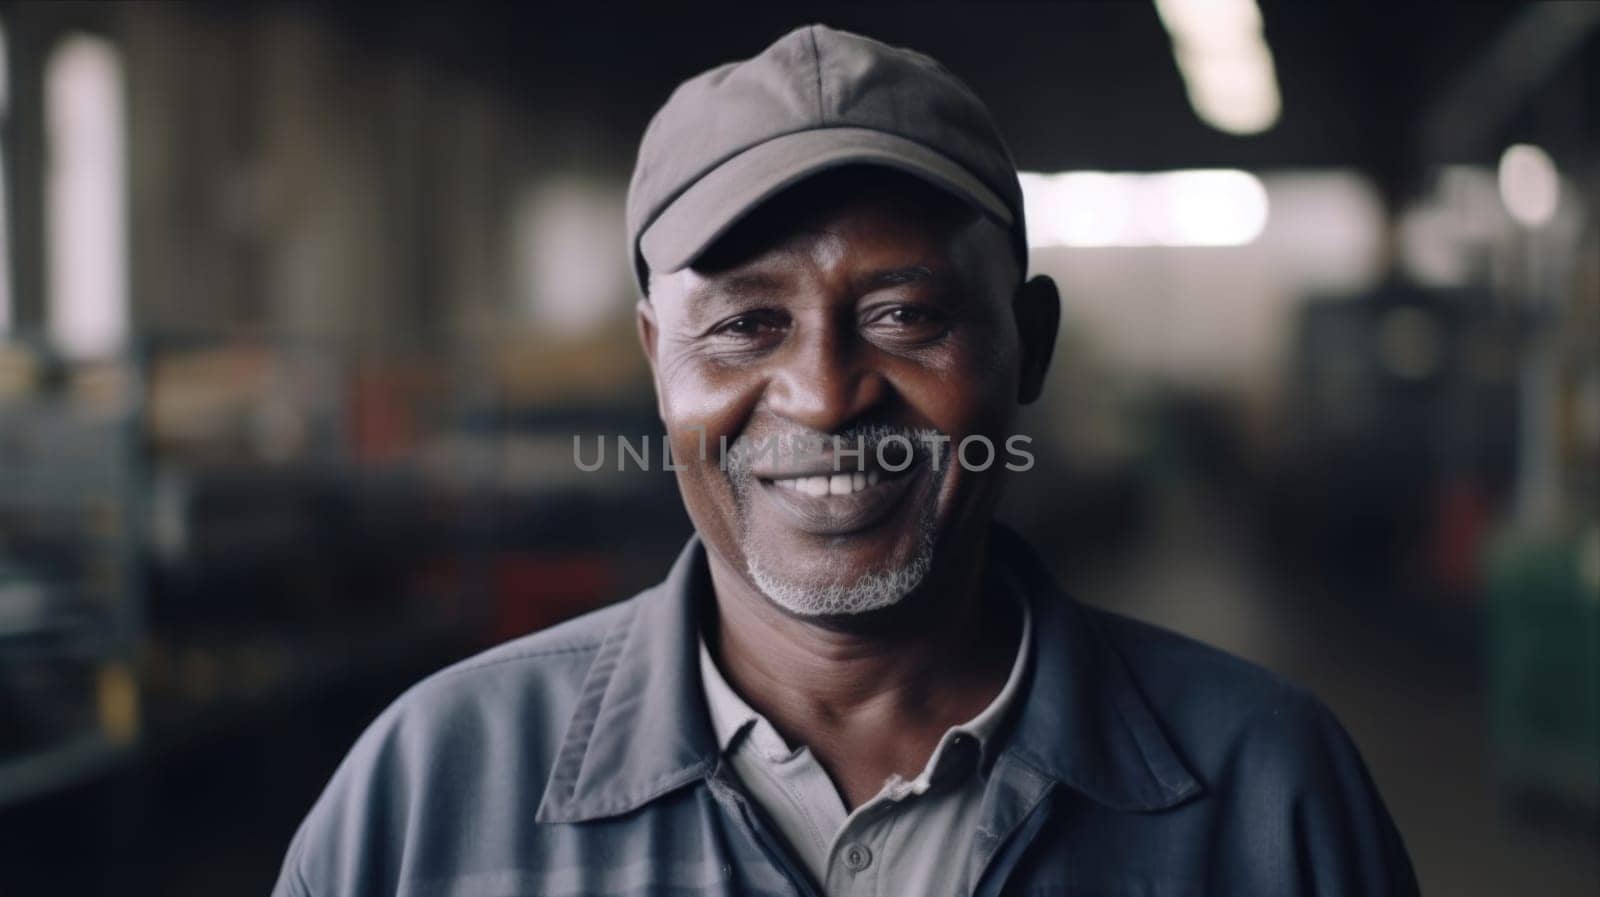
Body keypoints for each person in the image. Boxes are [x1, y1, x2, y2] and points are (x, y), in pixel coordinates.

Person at [273, 24, 1418, 897]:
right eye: (742, 326)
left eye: (905, 315)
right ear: (656, 364)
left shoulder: (1269, 797)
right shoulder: (426, 803)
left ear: (1030, 343)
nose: (824, 397)